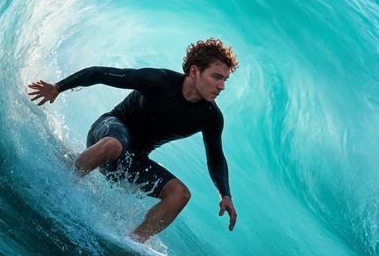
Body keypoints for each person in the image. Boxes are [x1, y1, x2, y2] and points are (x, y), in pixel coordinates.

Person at [27, 38, 239, 241]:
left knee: (180, 194)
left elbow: (216, 158)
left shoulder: (211, 116)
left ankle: (133, 242)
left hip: (131, 160)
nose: (222, 86)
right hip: (107, 133)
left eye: (225, 80)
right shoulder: (159, 80)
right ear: (194, 71)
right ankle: (62, 181)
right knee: (114, 144)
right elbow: (99, 73)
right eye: (216, 77)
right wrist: (57, 87)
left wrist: (225, 194)